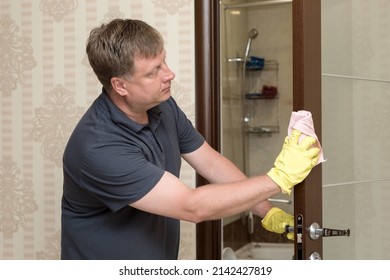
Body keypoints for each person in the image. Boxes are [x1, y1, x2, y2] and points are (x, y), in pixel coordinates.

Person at [61, 18, 320, 260]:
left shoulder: (162, 106)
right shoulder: (98, 147)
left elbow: (211, 163)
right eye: (153, 72)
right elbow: (192, 207)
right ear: (120, 86)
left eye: (164, 62)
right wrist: (278, 178)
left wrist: (266, 210)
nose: (169, 74)